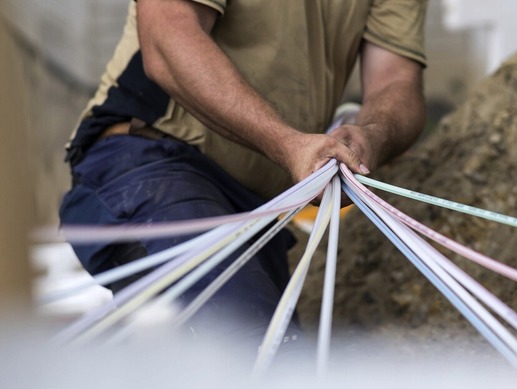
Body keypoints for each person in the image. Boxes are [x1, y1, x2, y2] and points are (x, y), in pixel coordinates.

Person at [59, 0, 427, 349]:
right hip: (151, 163)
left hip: (257, 212)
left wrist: (370, 137)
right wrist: (289, 144)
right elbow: (168, 35)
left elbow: (396, 79)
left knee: (269, 356)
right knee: (257, 352)